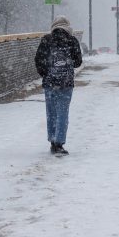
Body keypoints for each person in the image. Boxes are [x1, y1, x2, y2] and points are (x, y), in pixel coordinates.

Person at [35, 15, 83, 155]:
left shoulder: (47, 40)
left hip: (50, 83)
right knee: (62, 113)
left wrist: (46, 73)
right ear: (67, 26)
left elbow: (39, 59)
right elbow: (78, 61)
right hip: (66, 83)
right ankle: (59, 143)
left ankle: (52, 140)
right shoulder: (71, 40)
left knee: (51, 113)